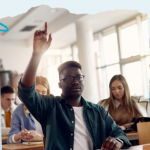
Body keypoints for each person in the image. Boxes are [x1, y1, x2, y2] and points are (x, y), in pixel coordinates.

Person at [17, 22, 131, 150]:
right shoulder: (50, 106)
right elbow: (26, 92)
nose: (76, 81)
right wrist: (37, 55)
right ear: (59, 84)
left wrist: (118, 141)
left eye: (78, 77)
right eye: (69, 78)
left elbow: (119, 134)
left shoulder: (98, 111)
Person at [7, 76, 50, 144]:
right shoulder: (19, 110)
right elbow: (10, 140)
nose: (40, 96)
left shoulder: (52, 110)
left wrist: (40, 135)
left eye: (44, 92)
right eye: (37, 91)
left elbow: (59, 134)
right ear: (30, 92)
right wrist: (19, 136)